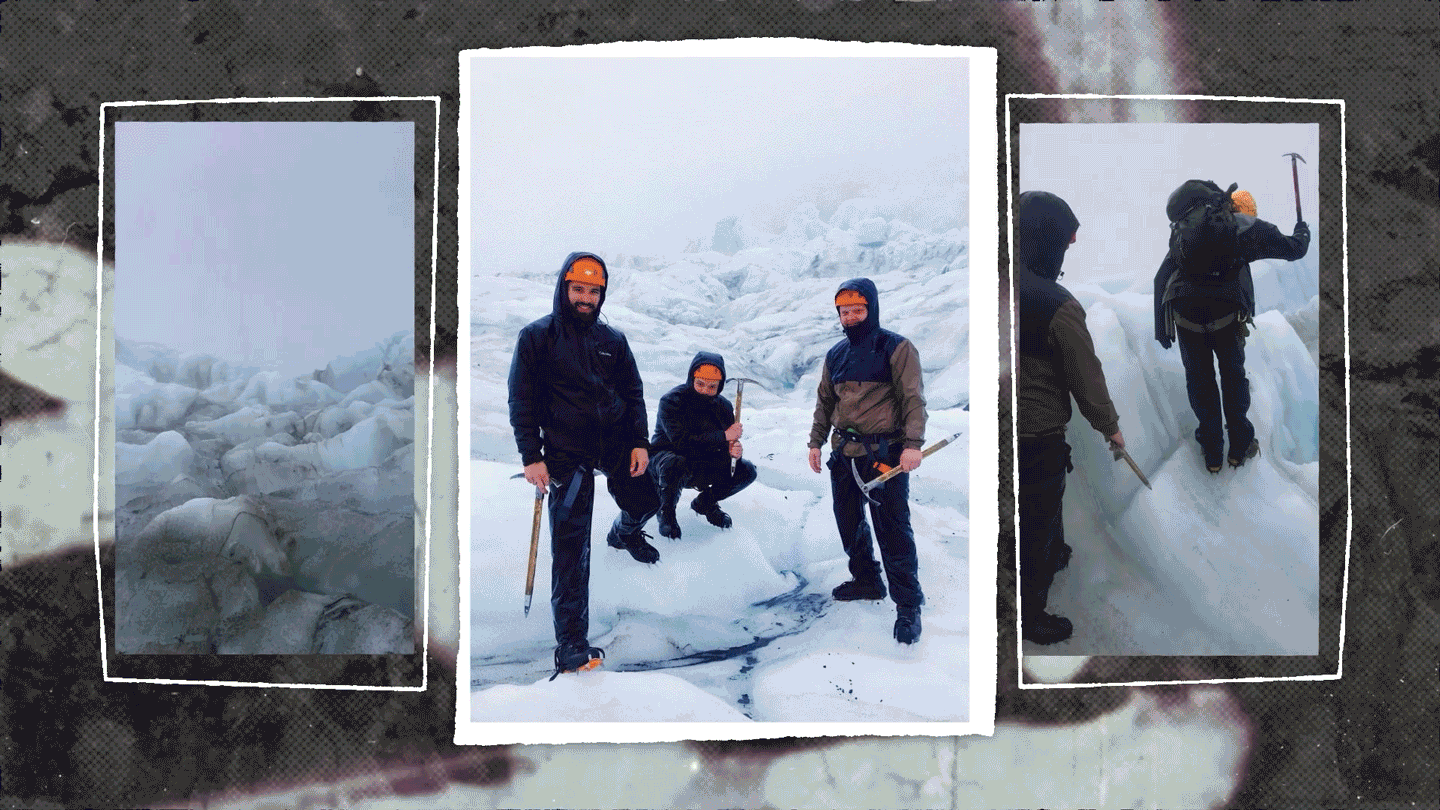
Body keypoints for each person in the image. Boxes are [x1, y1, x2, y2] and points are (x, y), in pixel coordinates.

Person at [508, 252, 661, 677]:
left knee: (647, 497)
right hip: (564, 451)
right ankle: (571, 646)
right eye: (579, 289)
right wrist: (531, 457)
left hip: (613, 441)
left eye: (594, 291)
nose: (586, 298)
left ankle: (624, 534)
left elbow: (633, 393)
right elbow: (521, 401)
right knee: (572, 550)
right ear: (564, 288)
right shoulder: (537, 338)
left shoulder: (612, 341)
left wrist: (638, 443)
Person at [1014, 191, 1125, 645]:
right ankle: (1031, 614)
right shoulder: (1055, 303)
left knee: (1030, 511)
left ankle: (1053, 553)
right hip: (1036, 431)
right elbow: (1085, 375)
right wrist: (1111, 427)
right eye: (1063, 243)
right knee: (1038, 516)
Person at [1154, 182, 1310, 472]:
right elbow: (1295, 250)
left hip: (1185, 314)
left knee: (1200, 382)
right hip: (1225, 314)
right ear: (1243, 209)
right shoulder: (1245, 227)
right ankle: (1239, 447)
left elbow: (1160, 278)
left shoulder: (1185, 231)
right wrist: (1302, 231)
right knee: (1233, 377)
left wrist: (1159, 326)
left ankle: (1212, 453)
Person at [807, 278, 927, 644]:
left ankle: (908, 605)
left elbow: (913, 400)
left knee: (892, 529)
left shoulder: (896, 348)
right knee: (849, 522)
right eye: (845, 312)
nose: (852, 317)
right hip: (844, 455)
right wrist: (815, 442)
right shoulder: (836, 356)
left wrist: (913, 444)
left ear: (871, 309)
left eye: (858, 310)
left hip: (884, 455)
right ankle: (867, 579)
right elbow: (825, 402)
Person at [649, 352, 758, 540]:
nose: (705, 390)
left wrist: (733, 452)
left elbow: (724, 442)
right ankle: (665, 512)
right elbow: (681, 443)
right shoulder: (671, 401)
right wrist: (724, 435)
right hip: (667, 460)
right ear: (691, 379)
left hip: (701, 461)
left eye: (712, 386)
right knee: (676, 462)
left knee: (746, 470)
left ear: (720, 386)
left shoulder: (723, 406)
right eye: (700, 384)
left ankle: (705, 503)